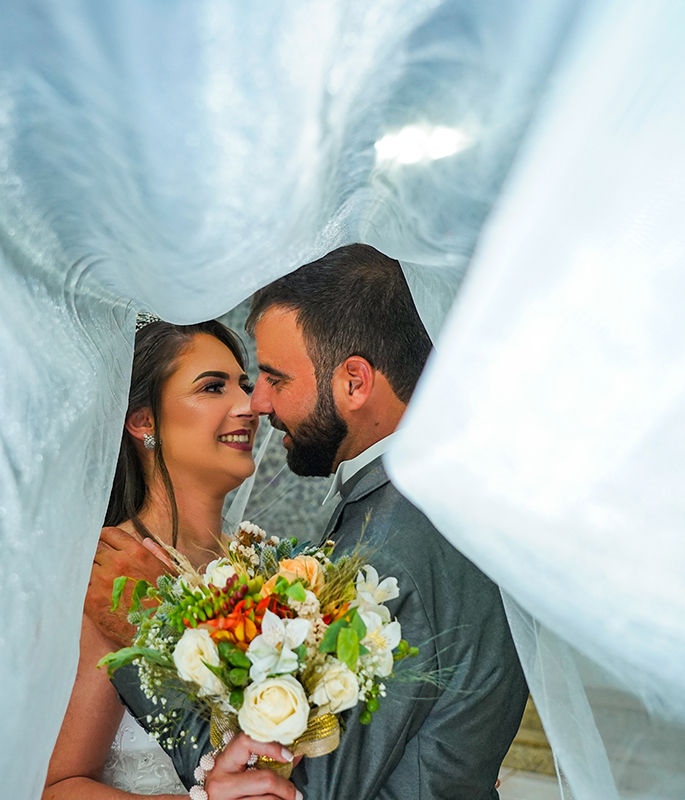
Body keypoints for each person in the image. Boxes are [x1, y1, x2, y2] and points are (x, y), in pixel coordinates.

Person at [91, 245, 529, 799]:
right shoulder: (434, 503)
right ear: (142, 422)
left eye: (273, 377)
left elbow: (307, 791)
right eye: (217, 385)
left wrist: (146, 639)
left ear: (354, 382)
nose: (259, 403)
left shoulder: (392, 542)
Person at [44, 318, 302, 800]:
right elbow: (56, 788)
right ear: (144, 422)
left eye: (245, 386)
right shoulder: (109, 576)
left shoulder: (271, 572)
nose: (248, 406)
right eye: (212, 388)